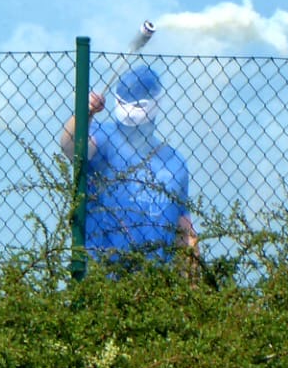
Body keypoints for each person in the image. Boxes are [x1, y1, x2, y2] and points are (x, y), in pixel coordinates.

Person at [59, 63, 199, 274]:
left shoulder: (173, 161)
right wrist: (85, 112)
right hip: (101, 279)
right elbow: (70, 146)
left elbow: (184, 231)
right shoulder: (102, 138)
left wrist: (194, 287)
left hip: (156, 284)